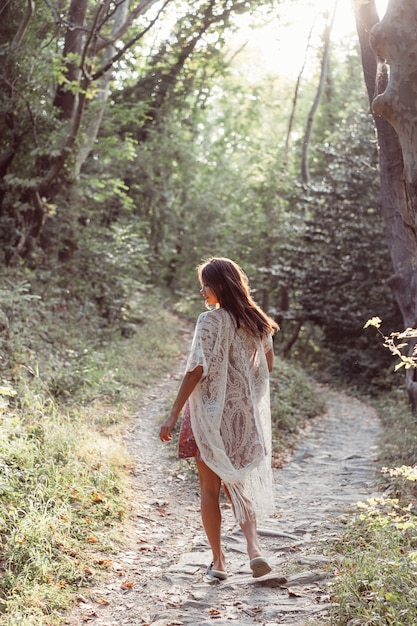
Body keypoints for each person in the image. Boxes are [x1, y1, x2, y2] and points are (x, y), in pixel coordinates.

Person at [159, 257, 279, 580]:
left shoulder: (209, 321)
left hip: (209, 415)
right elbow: (267, 367)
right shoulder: (257, 322)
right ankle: (254, 550)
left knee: (210, 488)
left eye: (206, 284)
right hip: (241, 417)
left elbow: (197, 369)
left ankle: (220, 561)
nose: (202, 291)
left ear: (221, 285)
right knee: (238, 485)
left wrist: (172, 413)